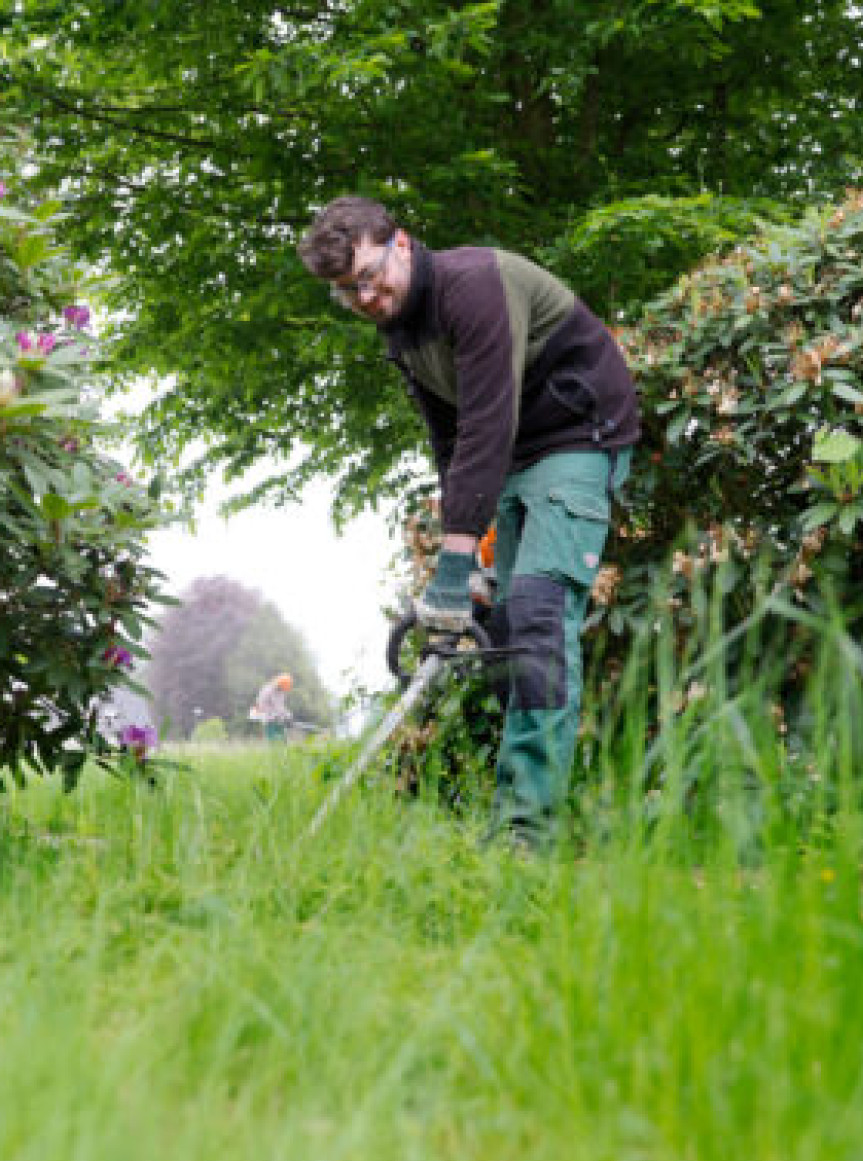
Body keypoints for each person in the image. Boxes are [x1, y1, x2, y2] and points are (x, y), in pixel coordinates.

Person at [299, 196, 639, 847]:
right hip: (517, 453)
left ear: (400, 243)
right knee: (510, 630)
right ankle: (516, 812)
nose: (365, 298)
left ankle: (525, 833)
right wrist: (467, 558)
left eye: (368, 277)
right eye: (347, 292)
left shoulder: (474, 285)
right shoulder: (399, 324)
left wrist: (451, 569)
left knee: (539, 616)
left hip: (579, 432)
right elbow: (450, 443)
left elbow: (486, 423)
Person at [250, 672, 295, 743]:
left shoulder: (281, 692)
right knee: (273, 741)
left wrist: (288, 715)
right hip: (269, 720)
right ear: (280, 684)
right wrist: (273, 714)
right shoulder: (267, 690)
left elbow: (280, 706)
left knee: (283, 741)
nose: (283, 690)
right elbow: (260, 705)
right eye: (283, 688)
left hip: (279, 720)